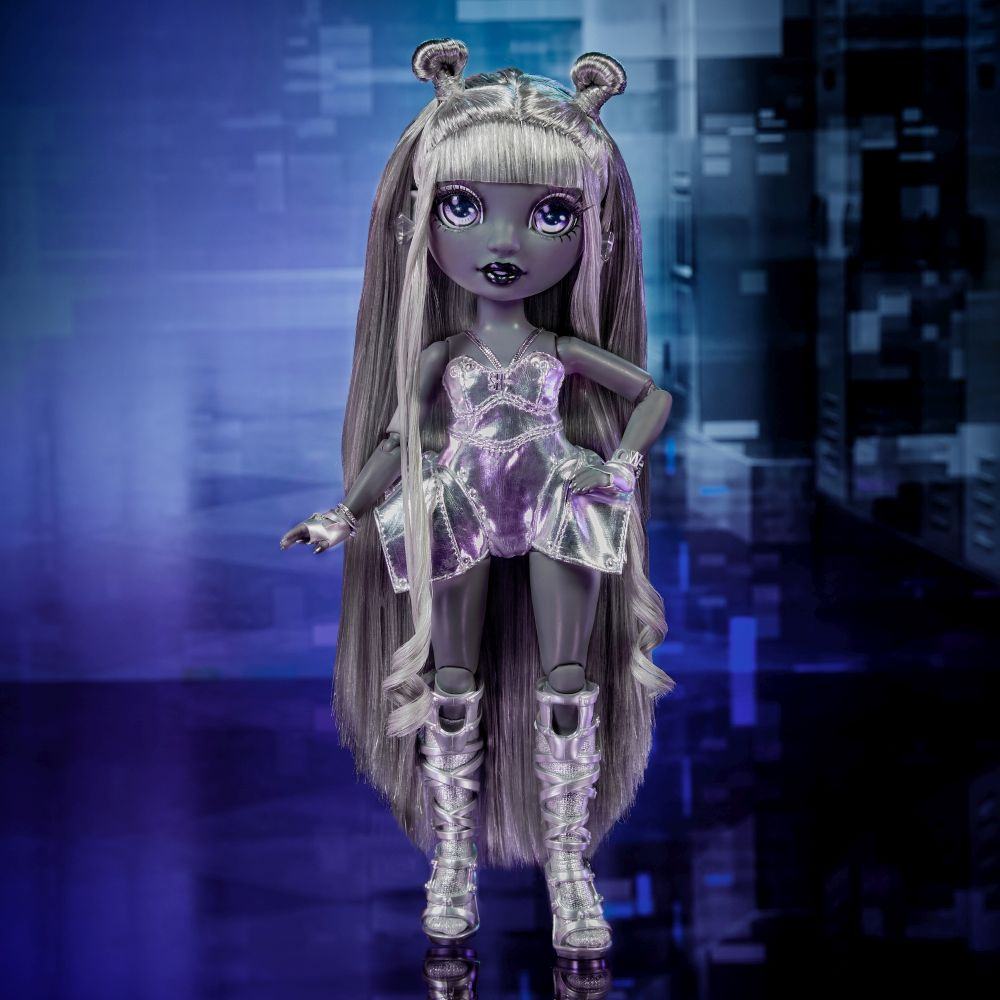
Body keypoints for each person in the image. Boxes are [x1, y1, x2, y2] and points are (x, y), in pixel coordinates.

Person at [280, 38, 675, 959]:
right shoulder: (440, 356)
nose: (504, 244)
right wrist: (346, 512)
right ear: (420, 221)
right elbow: (398, 443)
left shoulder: (557, 349)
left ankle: (569, 866)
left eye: (549, 215)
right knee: (450, 679)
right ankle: (452, 857)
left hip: (555, 499)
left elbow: (650, 396)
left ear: (590, 231)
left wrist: (620, 465)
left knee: (567, 679)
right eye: (464, 207)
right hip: (458, 502)